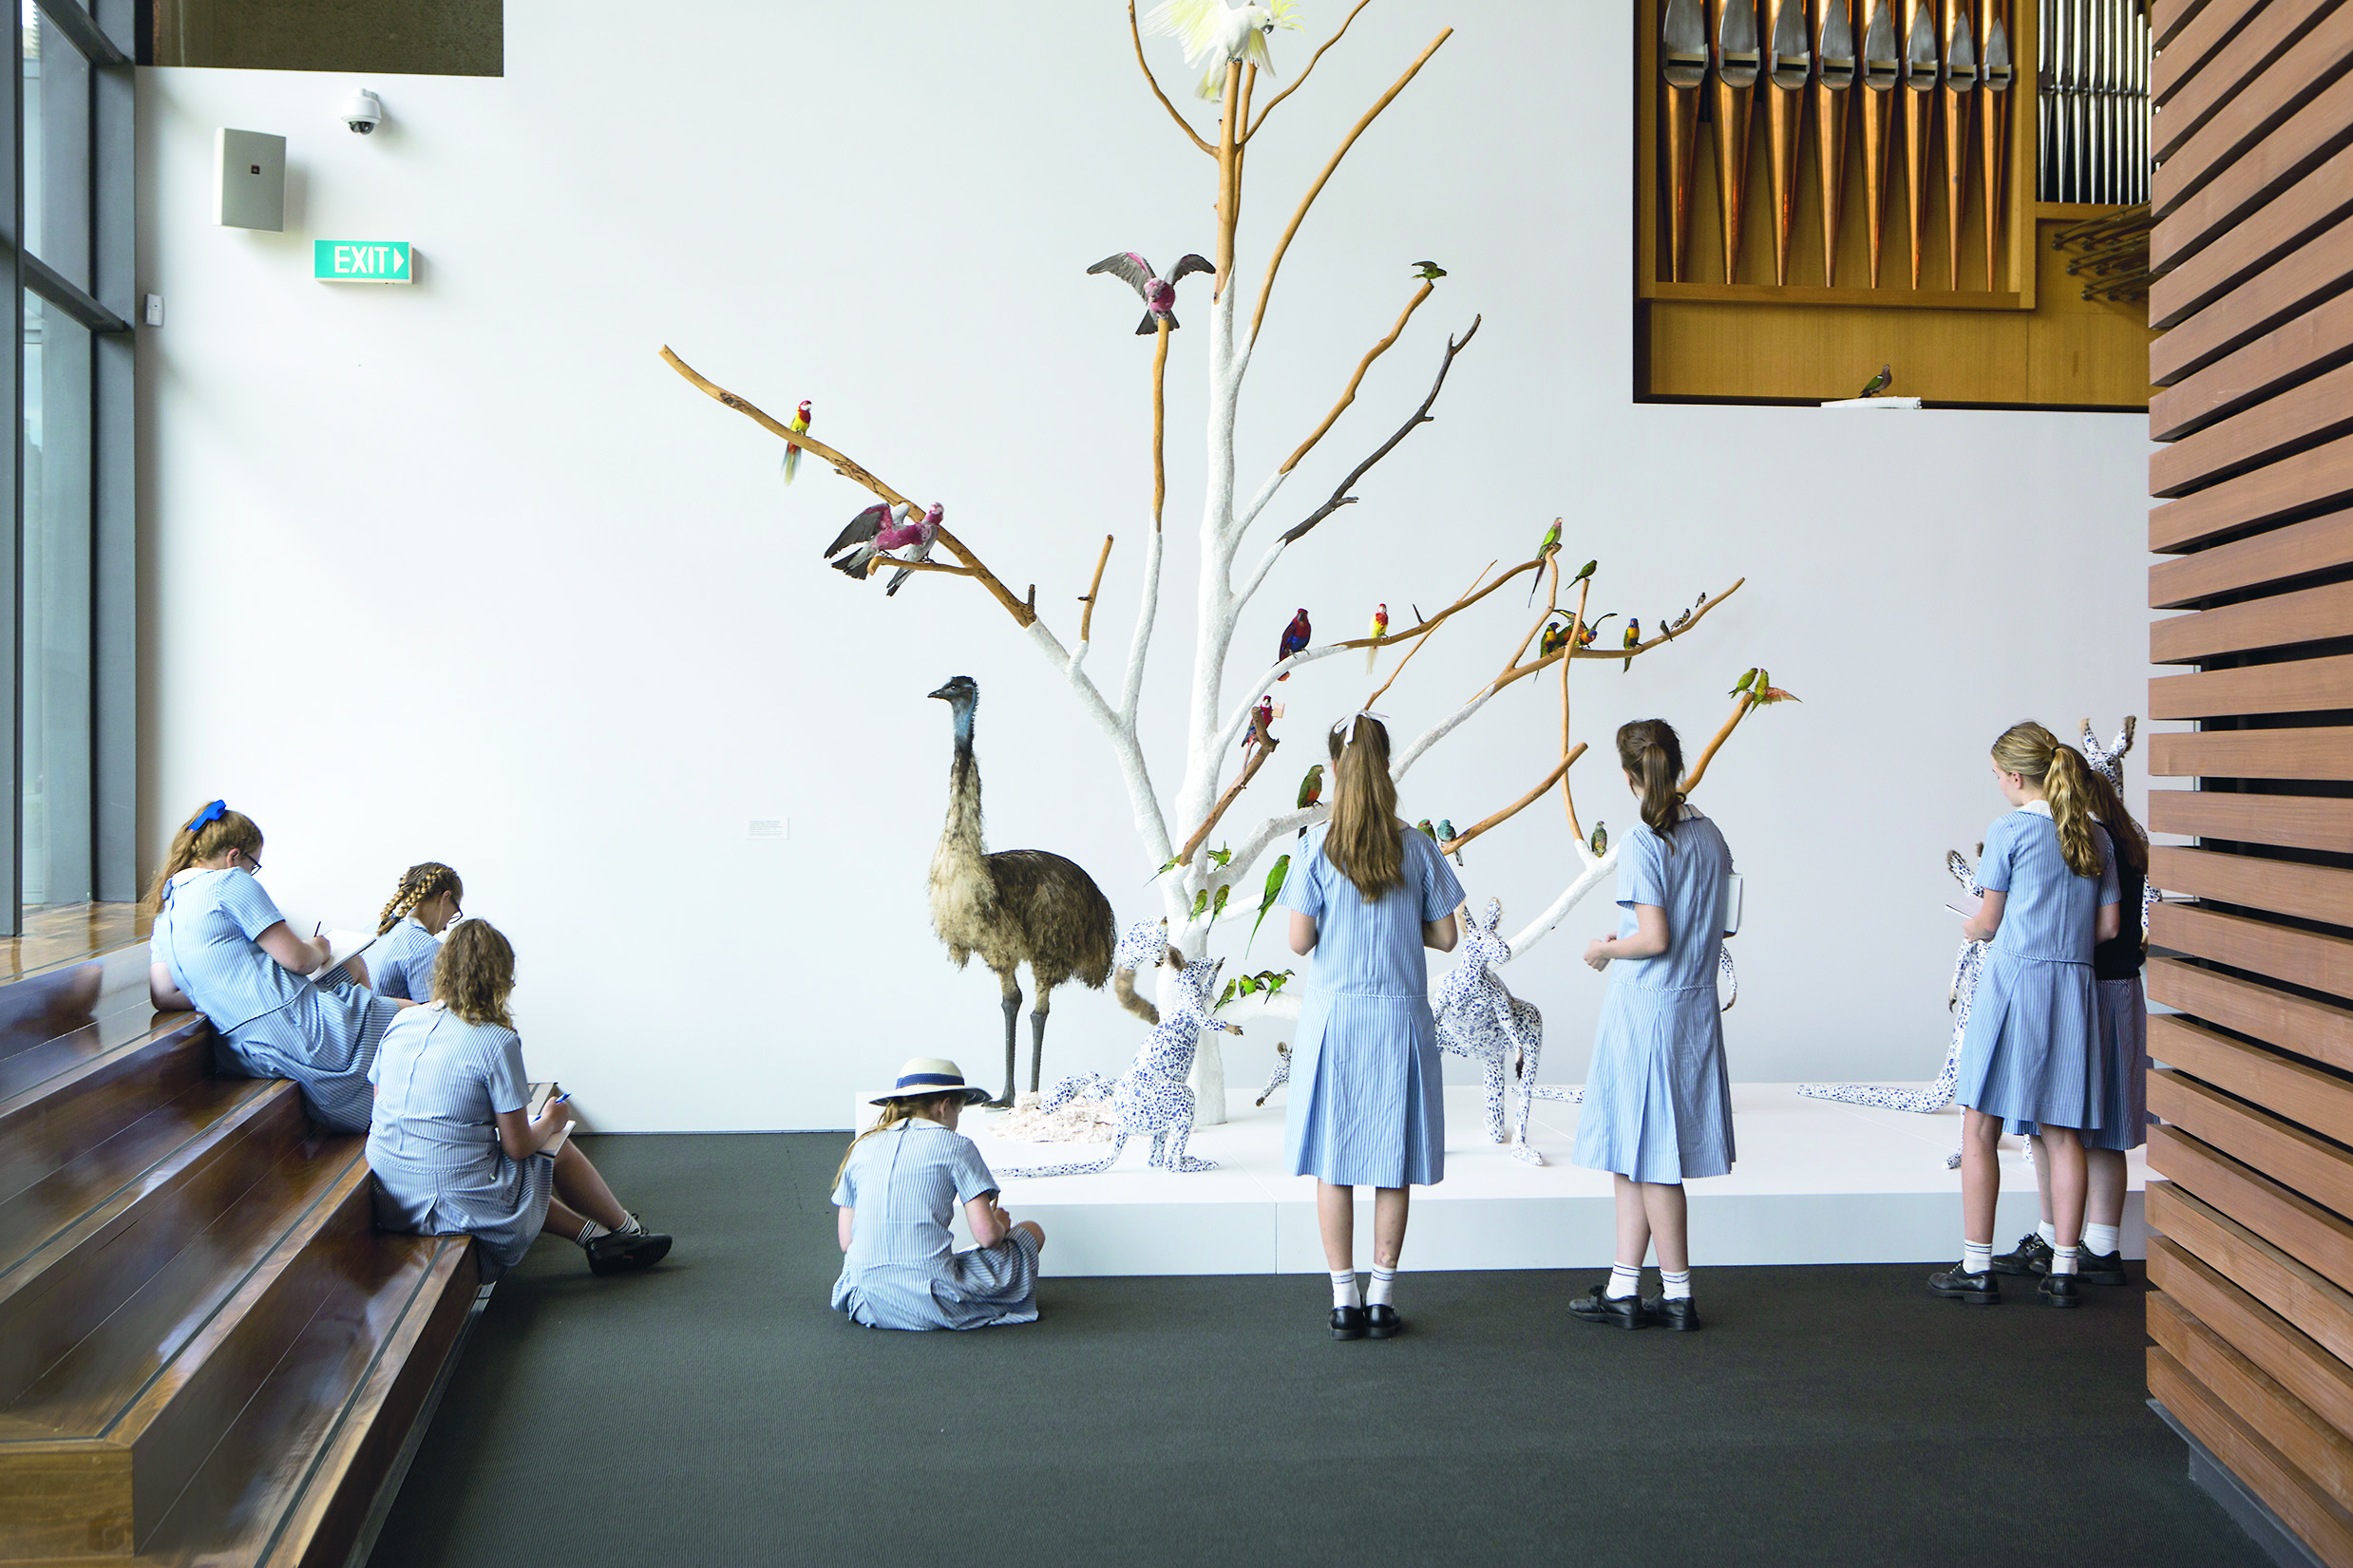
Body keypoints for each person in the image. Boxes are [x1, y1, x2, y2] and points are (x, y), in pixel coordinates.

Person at [1280, 714, 1464, 1341]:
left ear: (1334, 769)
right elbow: (1446, 935)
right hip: (1398, 1017)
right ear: (1386, 767)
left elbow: (1299, 941)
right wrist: (1398, 922)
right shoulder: (1415, 846)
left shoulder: (1314, 847)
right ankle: (1382, 1297)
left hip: (1336, 1020)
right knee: (1391, 1161)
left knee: (1335, 1161)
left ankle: (1342, 1299)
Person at [1931, 722, 2119, 1309]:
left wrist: (1969, 924)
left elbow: (1987, 922)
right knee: (2064, 1132)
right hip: (2073, 987)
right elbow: (2110, 927)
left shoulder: (2009, 830)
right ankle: (2065, 1269)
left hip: (2014, 983)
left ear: (2016, 777)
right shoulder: (2096, 837)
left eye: (1996, 774)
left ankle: (1977, 1264)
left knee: (1980, 1124)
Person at [368, 918, 670, 1279]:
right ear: (500, 978)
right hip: (450, 1203)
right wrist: (551, 1121)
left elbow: (381, 1102)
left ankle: (597, 1237)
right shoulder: (495, 1040)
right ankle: (627, 1232)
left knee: (506, 1162)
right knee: (554, 1145)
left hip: (391, 1193)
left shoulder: (402, 1021)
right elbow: (519, 1147)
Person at [1568, 720, 1736, 1332]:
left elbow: (1655, 938)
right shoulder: (1711, 835)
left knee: (1649, 1154)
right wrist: (1637, 939)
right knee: (1637, 1151)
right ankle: (1623, 1286)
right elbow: (1720, 923)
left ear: (1630, 777)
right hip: (1693, 1002)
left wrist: (1606, 949)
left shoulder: (1644, 842)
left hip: (1647, 1009)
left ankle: (1678, 1295)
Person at [147, 800, 404, 1133]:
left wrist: (234, 986)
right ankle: (378, 1071)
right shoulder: (227, 882)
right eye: (254, 865)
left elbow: (164, 993)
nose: (252, 873)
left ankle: (367, 1046)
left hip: (245, 1050)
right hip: (300, 1028)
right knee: (415, 1016)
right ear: (234, 856)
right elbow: (298, 960)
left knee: (353, 968)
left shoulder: (166, 910)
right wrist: (322, 946)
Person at [1995, 755, 2149, 1289]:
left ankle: (2065, 1238)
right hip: (2122, 988)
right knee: (2104, 1126)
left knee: (2055, 1122)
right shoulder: (2122, 838)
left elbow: (2097, 926)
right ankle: (2094, 1242)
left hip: (2083, 990)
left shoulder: (2086, 839)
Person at [831, 1057, 1044, 1331]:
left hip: (866, 1300)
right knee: (1032, 1231)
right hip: (931, 1299)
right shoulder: (957, 1146)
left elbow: (847, 1242)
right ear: (945, 1106)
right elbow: (988, 1237)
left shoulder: (861, 1147)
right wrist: (1000, 1224)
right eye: (958, 1112)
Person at [371, 861, 464, 1002]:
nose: (445, 927)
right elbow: (431, 1016)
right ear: (445, 897)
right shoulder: (425, 947)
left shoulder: (375, 928)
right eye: (453, 914)